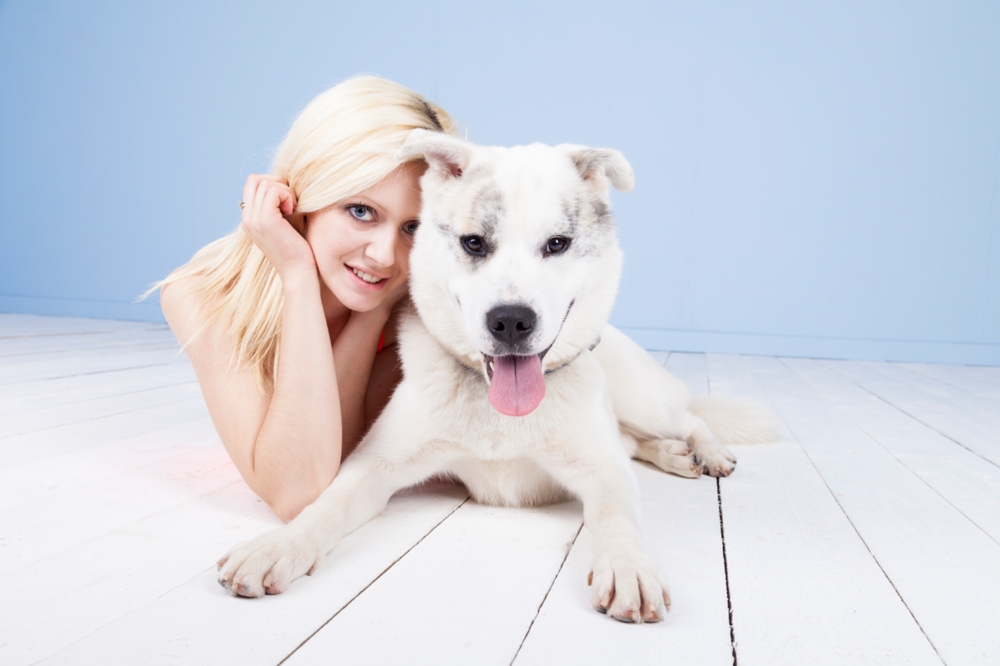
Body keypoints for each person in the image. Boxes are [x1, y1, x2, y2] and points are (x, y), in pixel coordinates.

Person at [157, 76, 457, 522]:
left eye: (413, 228)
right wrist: (296, 274)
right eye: (361, 211)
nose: (384, 255)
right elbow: (296, 491)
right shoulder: (199, 295)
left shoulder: (419, 318)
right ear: (303, 199)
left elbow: (323, 476)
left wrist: (371, 317)